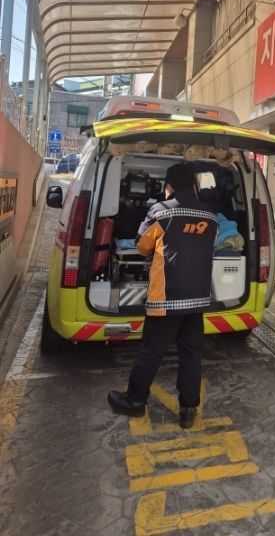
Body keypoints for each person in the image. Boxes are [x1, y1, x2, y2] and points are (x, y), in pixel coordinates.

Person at [107, 163, 218, 428]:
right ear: (193, 186)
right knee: (191, 353)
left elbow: (142, 246)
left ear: (169, 186)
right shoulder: (211, 215)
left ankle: (135, 401)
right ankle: (189, 409)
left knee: (152, 350)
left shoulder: (162, 211)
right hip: (197, 297)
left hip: (167, 297)